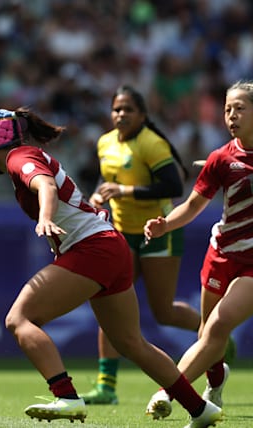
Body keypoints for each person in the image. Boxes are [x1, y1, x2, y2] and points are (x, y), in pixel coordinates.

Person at [0, 107, 222, 427]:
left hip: (92, 249)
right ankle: (200, 409)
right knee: (131, 343)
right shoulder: (23, 155)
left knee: (19, 319)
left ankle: (66, 396)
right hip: (110, 247)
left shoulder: (17, 159)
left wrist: (46, 218)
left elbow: (45, 186)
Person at [144, 81, 253, 419]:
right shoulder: (221, 158)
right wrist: (164, 224)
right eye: (227, 109)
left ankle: (168, 394)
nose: (231, 115)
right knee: (207, 333)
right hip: (222, 255)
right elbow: (191, 206)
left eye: (239, 108)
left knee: (217, 328)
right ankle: (216, 380)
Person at [83, 85, 200, 405]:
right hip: (122, 233)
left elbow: (174, 185)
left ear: (143, 116)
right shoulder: (105, 142)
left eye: (128, 110)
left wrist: (124, 192)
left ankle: (214, 333)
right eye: (116, 109)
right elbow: (105, 181)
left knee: (163, 313)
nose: (121, 115)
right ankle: (106, 386)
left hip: (158, 231)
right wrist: (98, 195)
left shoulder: (151, 142)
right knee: (110, 303)